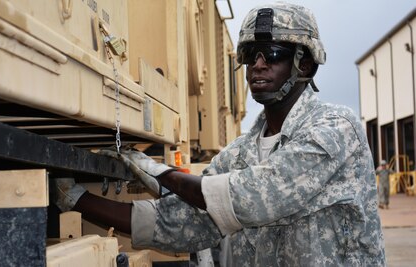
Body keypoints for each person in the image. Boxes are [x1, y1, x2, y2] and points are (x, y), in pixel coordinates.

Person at [51, 2, 386, 266]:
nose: (258, 64)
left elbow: (256, 195)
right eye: (249, 54)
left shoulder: (337, 127)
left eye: (273, 53)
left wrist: (161, 173)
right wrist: (75, 198)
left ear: (305, 65)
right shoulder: (239, 155)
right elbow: (181, 224)